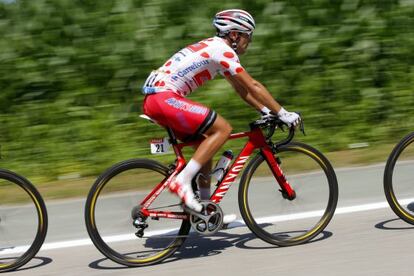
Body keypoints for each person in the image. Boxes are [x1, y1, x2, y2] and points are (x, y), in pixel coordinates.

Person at [142, 9, 301, 215]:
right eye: (248, 36)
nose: (249, 42)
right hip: (164, 98)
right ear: (234, 35)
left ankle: (206, 210)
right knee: (223, 129)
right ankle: (182, 182)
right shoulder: (222, 51)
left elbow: (241, 89)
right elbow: (253, 85)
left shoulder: (214, 48)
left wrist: (264, 110)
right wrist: (282, 112)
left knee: (206, 143)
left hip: (157, 100)